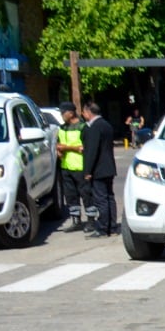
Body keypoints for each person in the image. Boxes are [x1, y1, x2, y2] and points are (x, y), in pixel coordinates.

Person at [79, 102, 116, 237]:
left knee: (101, 199)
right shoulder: (106, 125)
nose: (83, 115)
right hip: (109, 167)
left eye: (83, 112)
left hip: (99, 169)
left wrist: (87, 171)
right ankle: (112, 227)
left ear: (89, 112)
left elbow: (92, 151)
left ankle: (102, 228)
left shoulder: (94, 127)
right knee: (109, 198)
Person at [54, 102, 89, 230]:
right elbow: (59, 143)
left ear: (71, 113)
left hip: (80, 166)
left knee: (86, 194)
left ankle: (91, 221)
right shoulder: (62, 128)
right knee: (70, 196)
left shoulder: (83, 127)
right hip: (66, 166)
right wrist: (59, 149)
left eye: (63, 113)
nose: (62, 116)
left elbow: (85, 148)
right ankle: (76, 220)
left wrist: (67, 147)